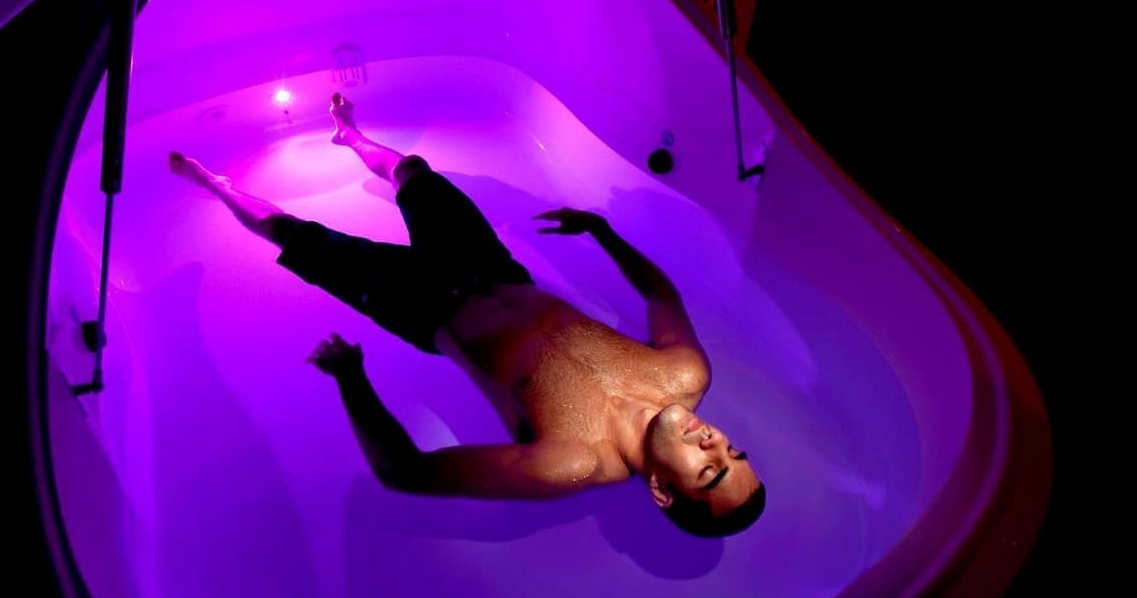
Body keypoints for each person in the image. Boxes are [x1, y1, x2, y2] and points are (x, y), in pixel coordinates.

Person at [168, 92, 766, 536]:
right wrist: (602, 232)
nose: (716, 444)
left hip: (422, 304)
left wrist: (351, 378)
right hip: (491, 268)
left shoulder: (570, 463)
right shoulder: (684, 374)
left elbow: (405, 472)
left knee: (291, 234)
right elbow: (662, 296)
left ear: (661, 490)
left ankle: (214, 183)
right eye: (734, 452)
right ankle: (350, 137)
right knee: (412, 173)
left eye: (709, 470)